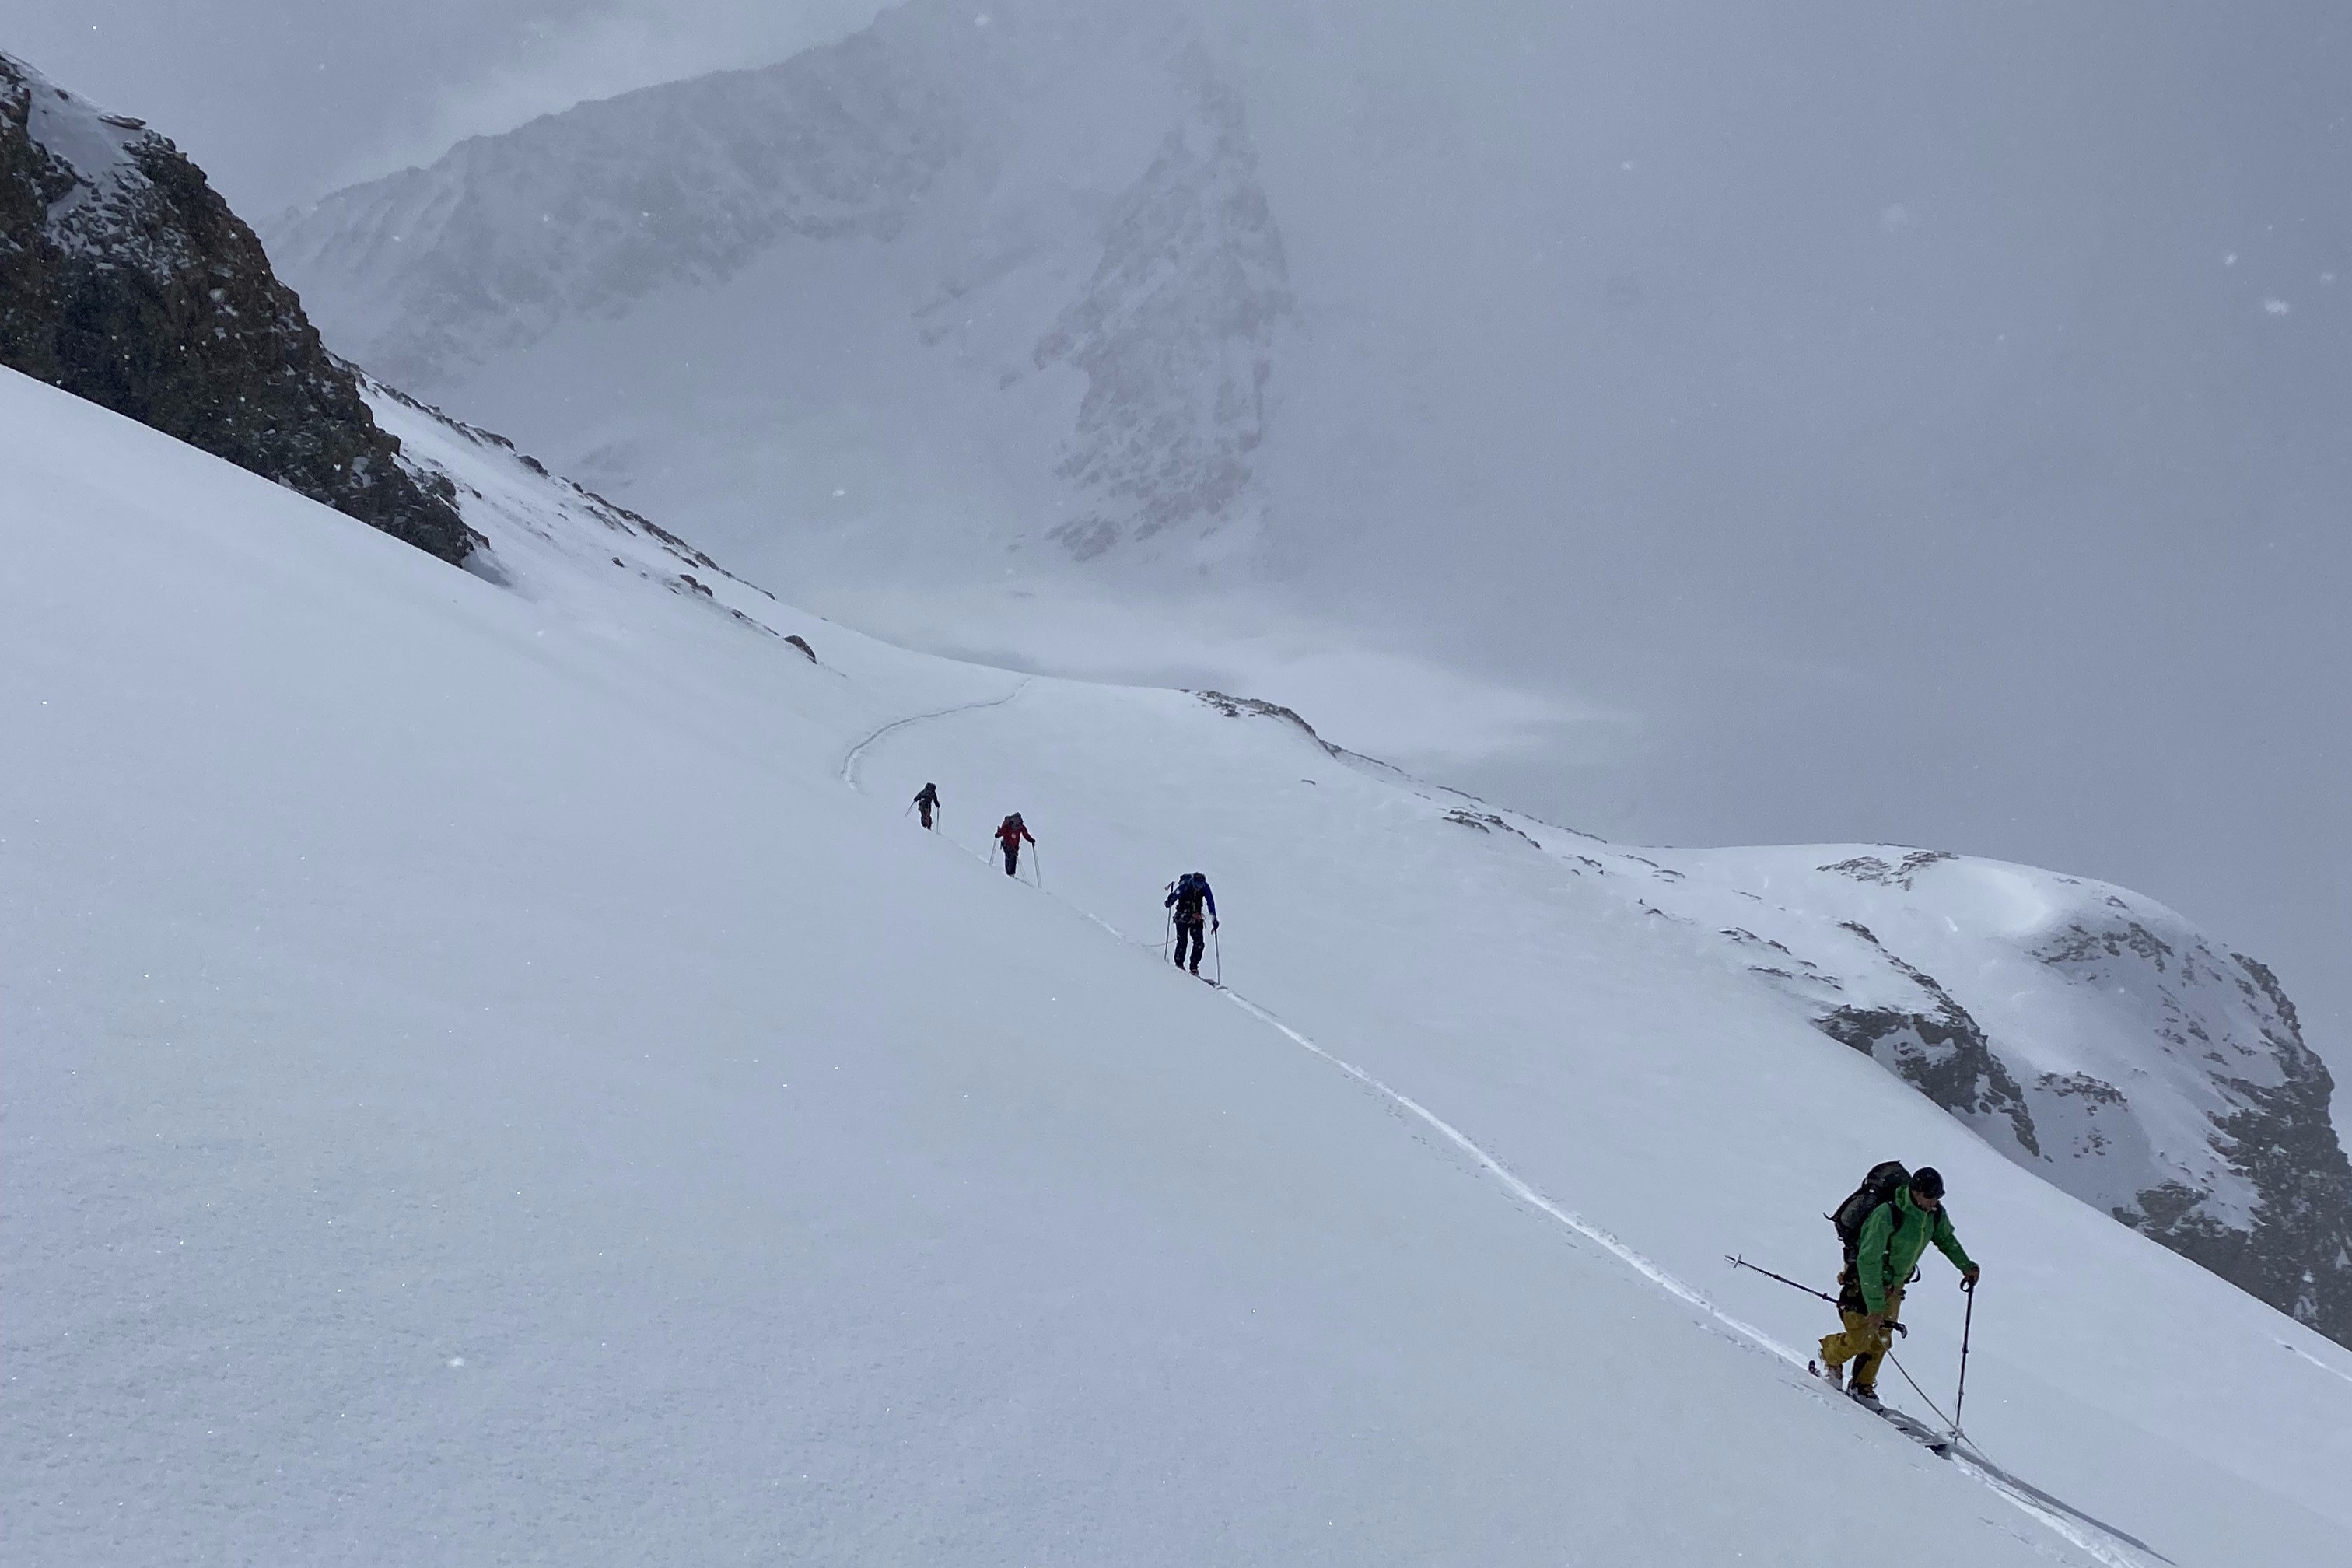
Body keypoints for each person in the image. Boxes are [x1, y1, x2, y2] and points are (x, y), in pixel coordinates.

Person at [1815, 1166, 1980, 1409]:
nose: (1935, 1202)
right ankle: (1830, 1355)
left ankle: (1863, 1385)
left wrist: (1966, 1266)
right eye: (1931, 1196)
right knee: (1861, 1337)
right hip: (1864, 1282)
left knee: (1882, 1338)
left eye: (1938, 1197)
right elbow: (1868, 1259)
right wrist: (1874, 1306)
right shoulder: (1888, 1213)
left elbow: (1945, 1239)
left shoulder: (1933, 1215)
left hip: (1895, 1286)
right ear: (1916, 1192)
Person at [1164, 871, 1218, 977]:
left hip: (1196, 917)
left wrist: (1214, 919)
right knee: (1183, 941)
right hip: (1182, 915)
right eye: (1197, 885)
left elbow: (1210, 902)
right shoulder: (1186, 884)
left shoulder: (1205, 887)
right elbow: (1176, 894)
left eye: (1200, 885)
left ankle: (1194, 967)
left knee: (1199, 943)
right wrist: (1170, 901)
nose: (1198, 888)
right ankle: (1179, 964)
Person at [993, 812, 1034, 877]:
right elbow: (1003, 831)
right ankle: (1009, 874)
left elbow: (1025, 834)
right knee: (1010, 858)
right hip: (1007, 844)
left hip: (1014, 847)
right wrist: (999, 834)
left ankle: (1011, 874)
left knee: (1013, 859)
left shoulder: (1020, 826)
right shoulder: (1009, 825)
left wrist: (1031, 840)